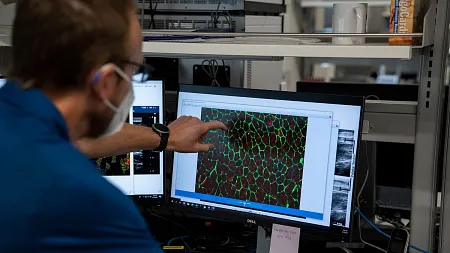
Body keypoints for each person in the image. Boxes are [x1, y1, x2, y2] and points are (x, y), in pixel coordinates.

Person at [0, 1, 226, 253]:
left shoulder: (15, 126)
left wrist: (166, 137)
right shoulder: (89, 203)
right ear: (106, 82)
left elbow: (69, 141)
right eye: (135, 72)